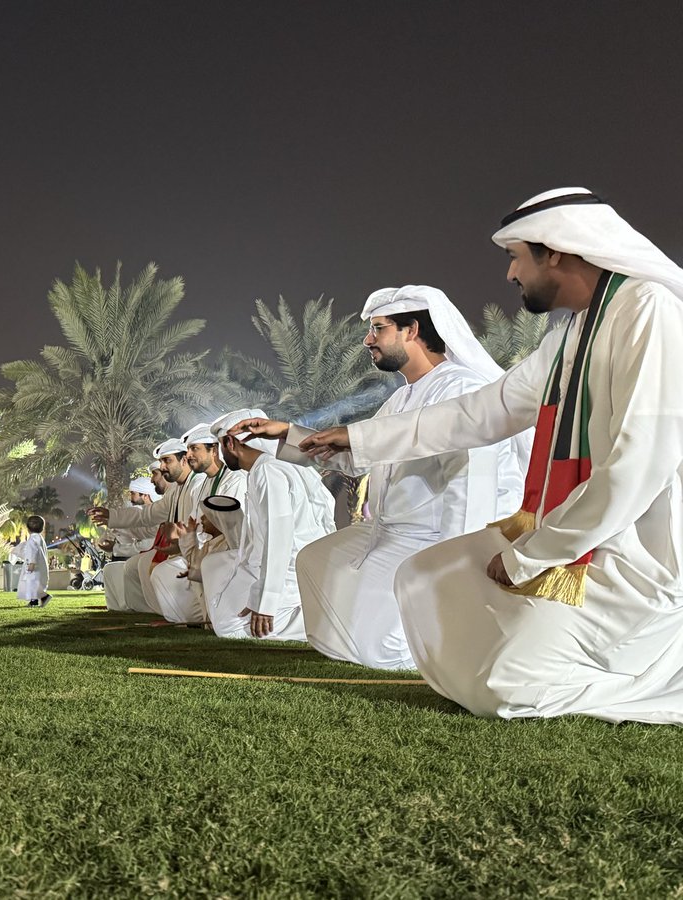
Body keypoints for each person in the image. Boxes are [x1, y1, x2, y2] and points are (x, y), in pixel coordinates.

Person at [297, 188, 683, 723]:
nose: (509, 275)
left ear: (555, 250)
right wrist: (355, 439)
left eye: (514, 257)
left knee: (504, 689)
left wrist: (531, 555)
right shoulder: (576, 330)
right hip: (573, 531)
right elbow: (485, 410)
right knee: (424, 577)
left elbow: (637, 467)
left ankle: (658, 676)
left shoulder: (649, 309)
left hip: (634, 553)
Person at [265, 285, 528, 669]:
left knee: (381, 650)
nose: (368, 340)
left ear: (412, 330)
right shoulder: (400, 398)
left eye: (378, 329)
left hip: (432, 539)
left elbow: (470, 489)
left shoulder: (463, 388)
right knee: (316, 559)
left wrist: (453, 567)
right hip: (387, 535)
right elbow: (356, 456)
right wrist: (287, 434)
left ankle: (427, 644)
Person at [203, 409, 336, 640]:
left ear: (230, 443)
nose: (223, 455)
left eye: (222, 447)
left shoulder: (267, 469)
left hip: (290, 570)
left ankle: (322, 620)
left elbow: (278, 533)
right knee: (215, 564)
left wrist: (266, 601)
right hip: (296, 563)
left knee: (230, 628)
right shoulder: (281, 464)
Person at [150, 422, 249, 623]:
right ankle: (201, 618)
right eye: (188, 450)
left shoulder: (235, 479)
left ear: (214, 451)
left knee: (195, 567)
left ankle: (208, 618)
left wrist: (204, 529)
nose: (189, 455)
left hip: (232, 550)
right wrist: (183, 535)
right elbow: (197, 524)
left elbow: (233, 523)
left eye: (195, 449)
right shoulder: (205, 483)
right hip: (206, 548)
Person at [89, 439, 190, 614]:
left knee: (147, 564)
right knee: (137, 564)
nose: (163, 468)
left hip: (191, 548)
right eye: (162, 463)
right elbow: (145, 514)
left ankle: (171, 612)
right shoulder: (177, 490)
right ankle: (150, 610)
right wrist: (112, 516)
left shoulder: (192, 485)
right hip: (179, 547)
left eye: (167, 461)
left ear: (184, 460)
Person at [100, 476, 157, 611]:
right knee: (110, 568)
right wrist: (117, 532)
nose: (130, 497)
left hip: (156, 557)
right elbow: (130, 535)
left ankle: (133, 607)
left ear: (146, 495)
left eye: (133, 493)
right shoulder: (140, 514)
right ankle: (117, 609)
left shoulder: (157, 515)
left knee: (127, 567)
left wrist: (116, 548)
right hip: (141, 557)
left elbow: (147, 545)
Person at [18, 515, 51, 607]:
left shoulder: (33, 539)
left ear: (28, 528)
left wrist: (32, 563)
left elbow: (33, 551)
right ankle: (35, 601)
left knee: (33, 584)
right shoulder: (39, 538)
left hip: (34, 566)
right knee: (34, 585)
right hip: (40, 567)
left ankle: (43, 598)